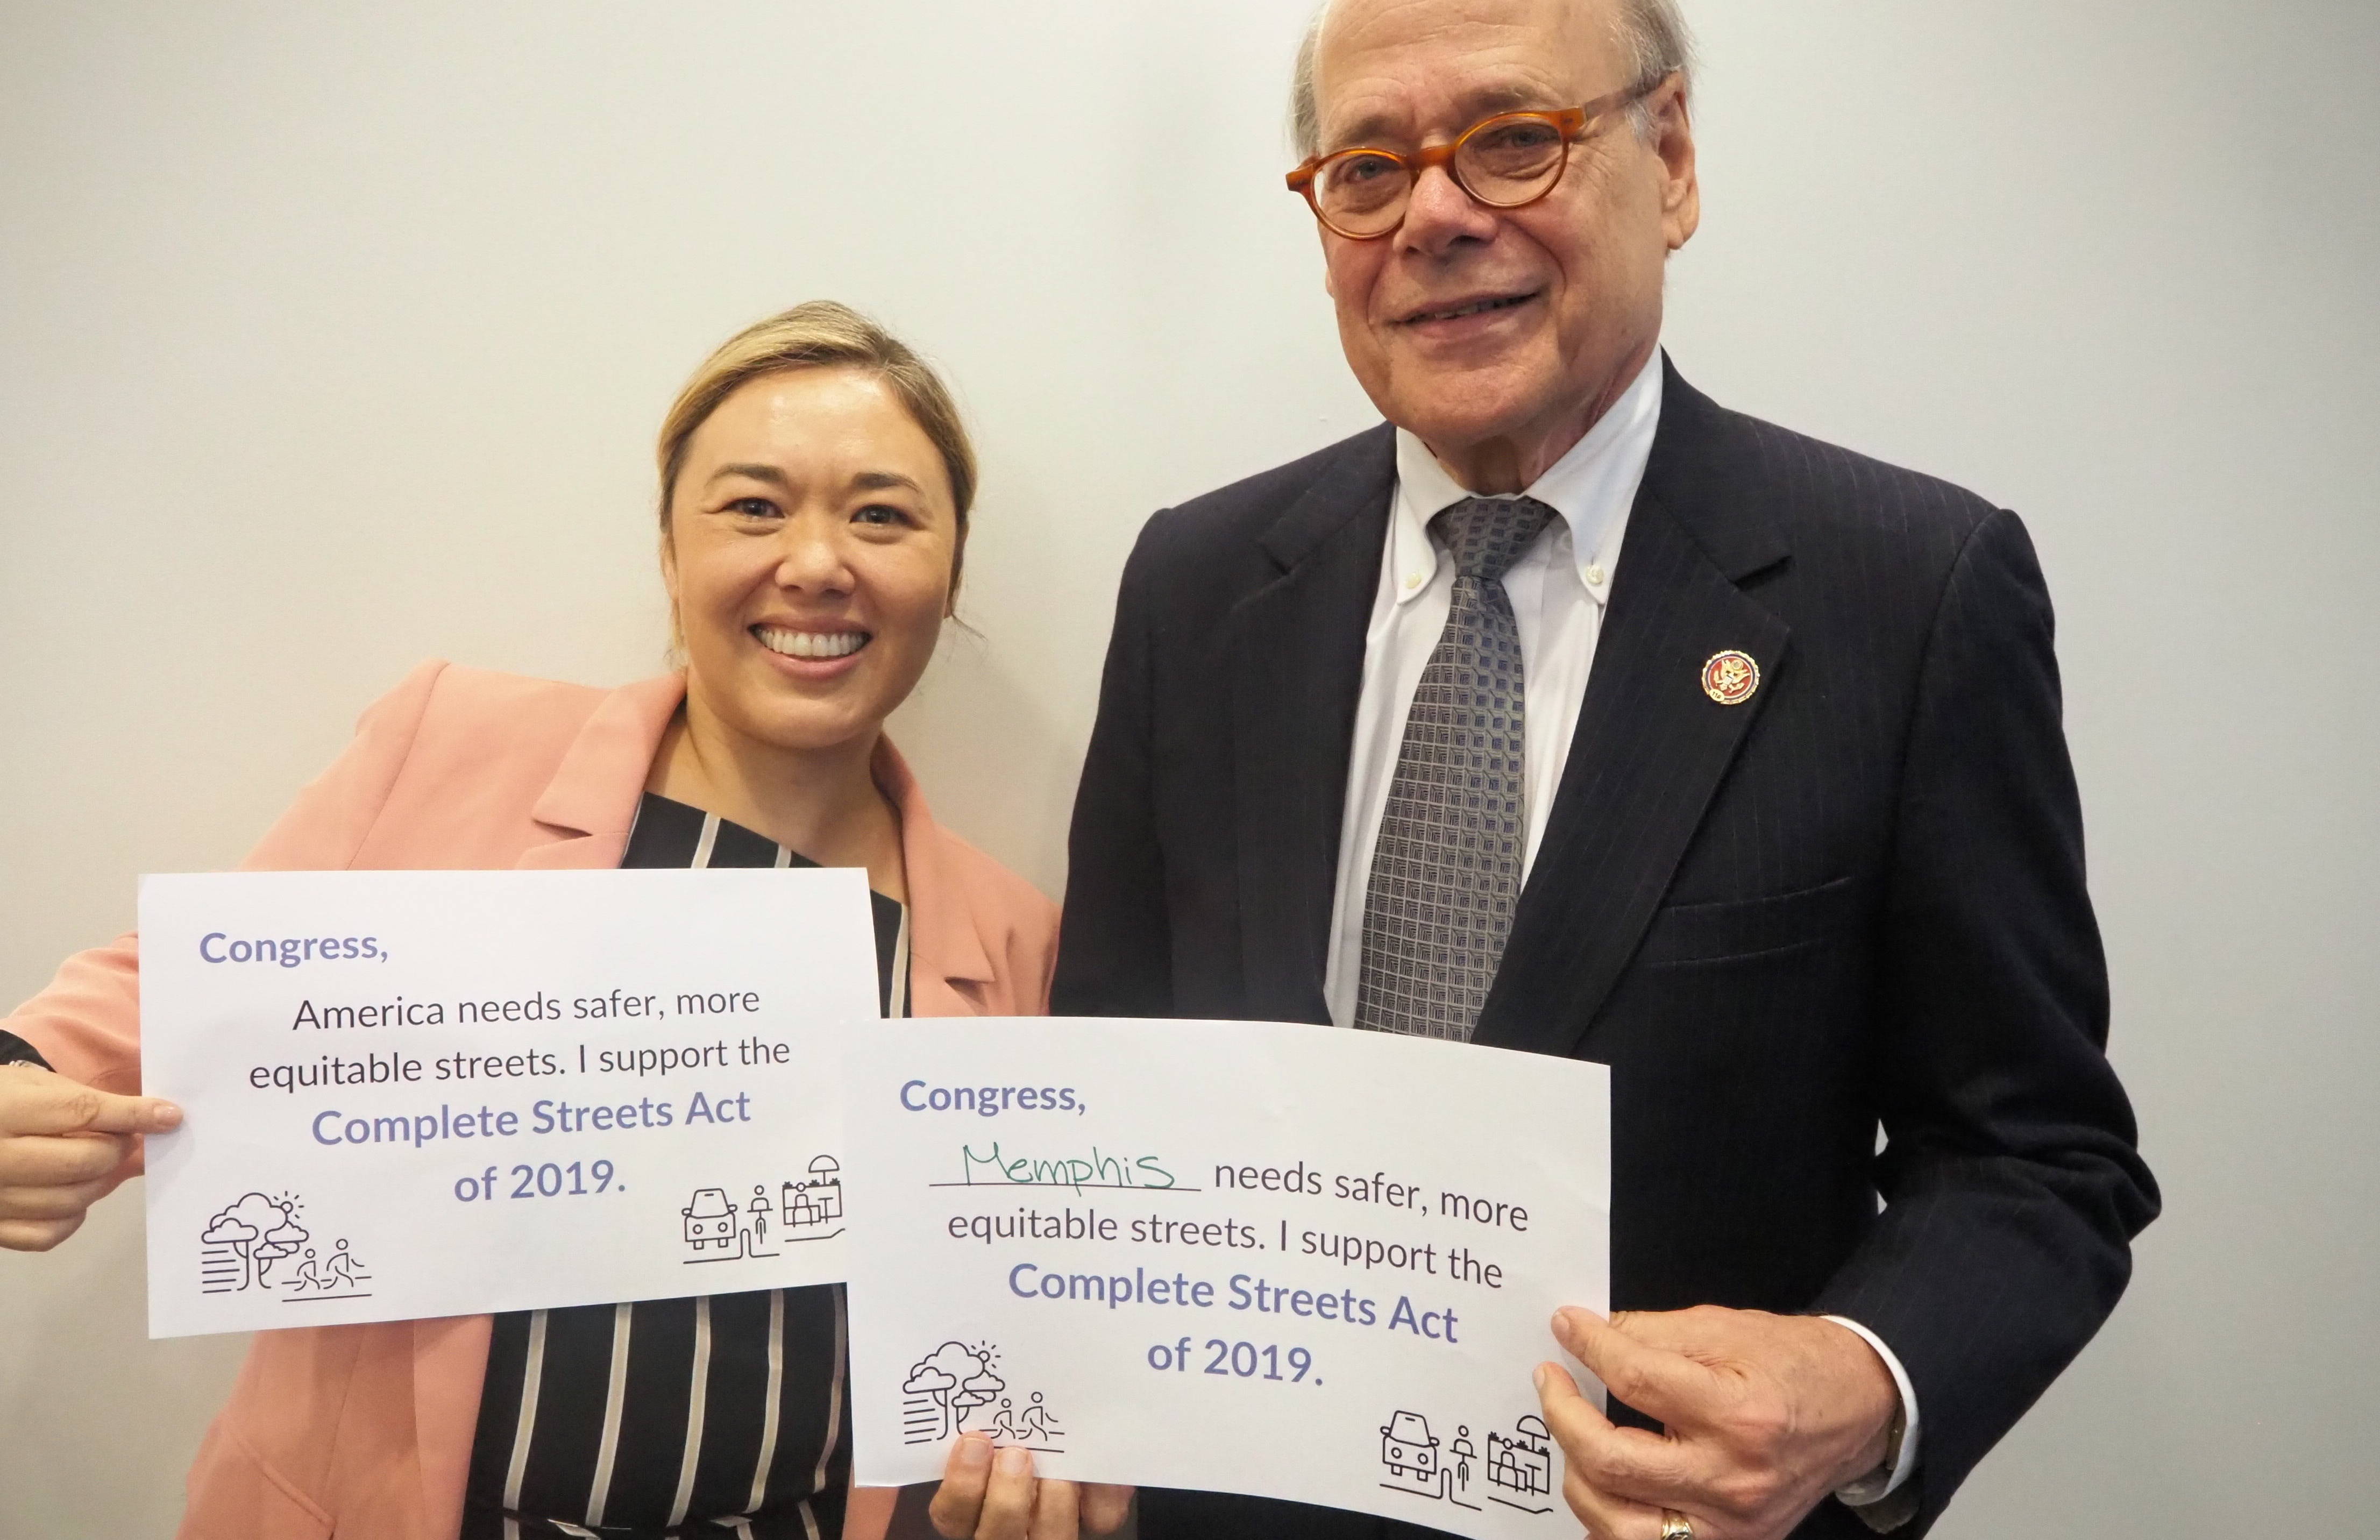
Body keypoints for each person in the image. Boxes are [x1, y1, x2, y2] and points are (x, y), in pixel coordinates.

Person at [1053, 2, 2159, 1537]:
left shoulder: (1907, 592)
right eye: (1367, 168)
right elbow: (1112, 1080)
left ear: (1675, 159)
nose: (1434, 215)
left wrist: (1857, 1382)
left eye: (1512, 142)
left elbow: (2038, 1157)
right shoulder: (1196, 586)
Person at [0, 302, 1127, 1540]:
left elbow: (1009, 1330)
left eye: (881, 514)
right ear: (668, 551)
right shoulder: (455, 741)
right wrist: (25, 1075)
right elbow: (198, 985)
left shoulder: (1017, 946)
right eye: (753, 507)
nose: (816, 562)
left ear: (949, 567)